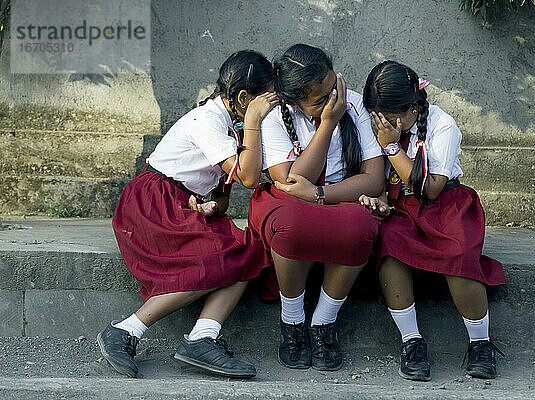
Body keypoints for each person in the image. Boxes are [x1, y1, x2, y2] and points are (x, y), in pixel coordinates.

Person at [97, 50, 278, 379]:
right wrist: (253, 122)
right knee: (224, 257)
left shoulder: (231, 127)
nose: (266, 110)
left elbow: (222, 201)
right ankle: (126, 330)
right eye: (262, 102)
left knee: (250, 251)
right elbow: (250, 179)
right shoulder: (208, 121)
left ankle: (202, 337)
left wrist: (206, 204)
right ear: (242, 97)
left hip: (180, 205)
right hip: (151, 205)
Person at [359, 60, 505, 381]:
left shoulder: (442, 125)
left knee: (459, 251)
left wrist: (391, 146)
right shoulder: (379, 124)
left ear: (413, 106)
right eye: (377, 116)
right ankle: (411, 341)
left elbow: (432, 188)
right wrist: (379, 201)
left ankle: (481, 343)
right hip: (402, 206)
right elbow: (378, 178)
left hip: (446, 205)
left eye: (389, 116)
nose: (382, 123)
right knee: (390, 246)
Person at [248, 44, 384, 371]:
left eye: (331, 88)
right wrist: (328, 123)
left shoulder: (353, 105)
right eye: (319, 100)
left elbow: (374, 180)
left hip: (338, 195)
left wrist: (322, 194)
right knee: (292, 224)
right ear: (294, 101)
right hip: (289, 201)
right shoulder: (276, 116)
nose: (332, 100)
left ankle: (323, 321)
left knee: (361, 226)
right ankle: (292, 320)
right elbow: (292, 183)